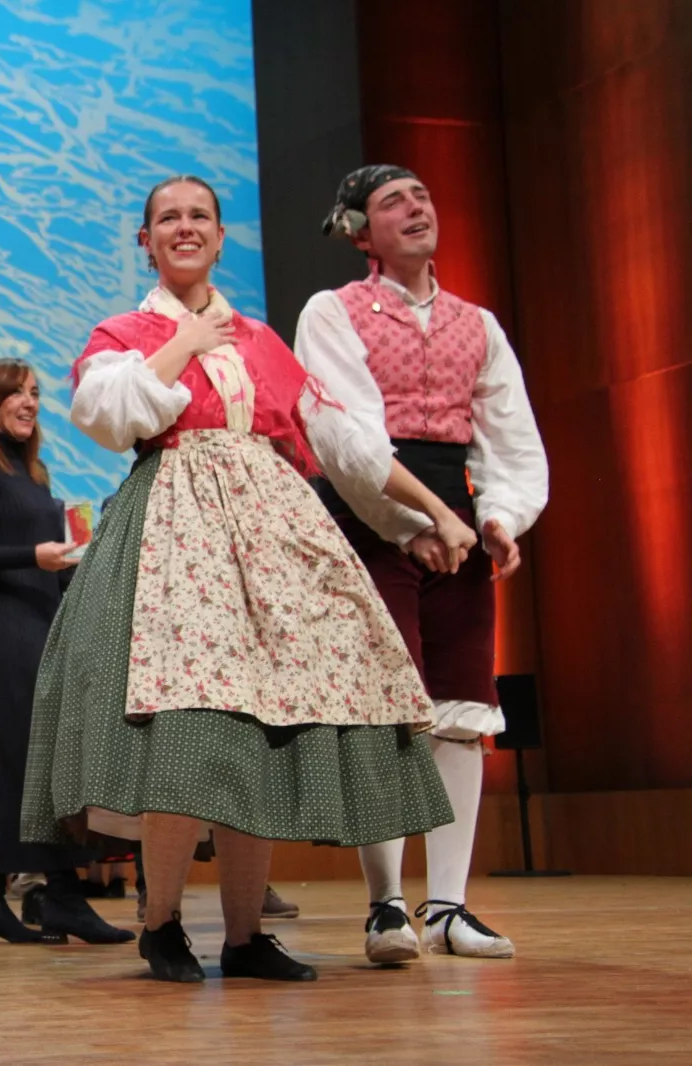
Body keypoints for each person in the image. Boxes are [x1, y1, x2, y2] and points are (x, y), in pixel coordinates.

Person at [20, 175, 473, 984]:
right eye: (168, 218)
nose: (185, 228)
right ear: (146, 240)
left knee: (259, 737)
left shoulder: (263, 339)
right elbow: (109, 414)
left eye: (200, 217)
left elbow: (340, 441)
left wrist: (431, 513)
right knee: (185, 730)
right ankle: (161, 923)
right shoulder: (123, 332)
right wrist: (189, 339)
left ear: (222, 237)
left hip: (272, 542)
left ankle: (242, 935)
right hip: (174, 535)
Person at [297, 164, 549, 961]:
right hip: (370, 512)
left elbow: (510, 434)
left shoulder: (478, 323)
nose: (416, 208)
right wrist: (416, 522)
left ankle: (448, 904)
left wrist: (501, 517)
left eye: (423, 196)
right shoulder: (332, 312)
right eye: (392, 202)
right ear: (359, 233)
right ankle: (385, 905)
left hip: (459, 521)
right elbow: (347, 438)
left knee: (463, 708)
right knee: (384, 707)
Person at [0, 360, 133, 947]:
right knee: (27, 764)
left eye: (35, 393)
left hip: (38, 626)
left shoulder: (34, 474)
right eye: (18, 393)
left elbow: (42, 560)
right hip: (2, 634)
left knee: (28, 767)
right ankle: (60, 897)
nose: (31, 402)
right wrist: (35, 556)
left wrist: (82, 564)